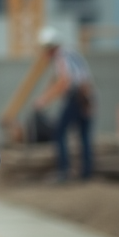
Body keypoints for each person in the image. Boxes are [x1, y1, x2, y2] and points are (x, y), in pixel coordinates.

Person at [32, 26, 94, 181]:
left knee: (59, 133)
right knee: (84, 136)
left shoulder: (61, 56)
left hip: (76, 97)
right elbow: (57, 79)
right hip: (87, 97)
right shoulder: (71, 53)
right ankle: (86, 173)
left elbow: (64, 82)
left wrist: (43, 100)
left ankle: (63, 172)